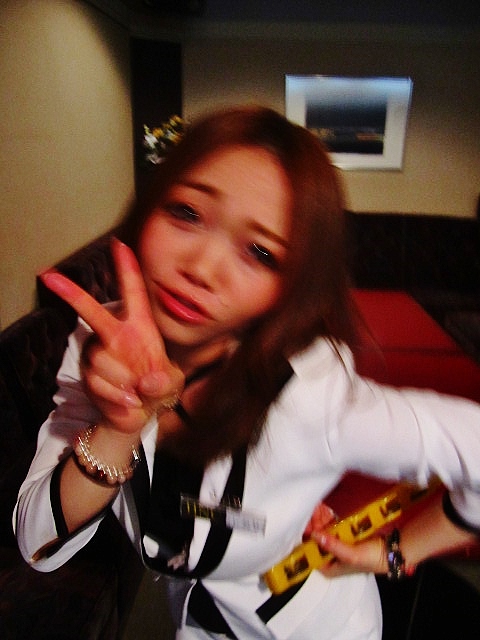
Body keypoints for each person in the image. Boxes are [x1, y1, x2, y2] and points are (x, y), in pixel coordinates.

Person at [14, 105, 480, 640]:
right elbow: (38, 544)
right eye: (187, 212)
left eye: (260, 252)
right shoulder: (101, 344)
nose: (201, 268)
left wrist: (395, 554)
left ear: (292, 286)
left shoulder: (311, 397)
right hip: (196, 620)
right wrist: (119, 425)